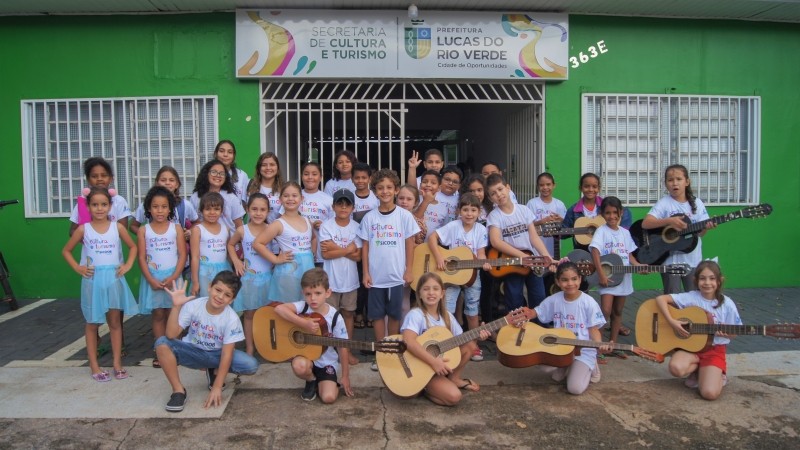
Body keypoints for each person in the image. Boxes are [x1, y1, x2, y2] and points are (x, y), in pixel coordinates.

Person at [62, 187, 139, 382]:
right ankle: (94, 365)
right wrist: (78, 268)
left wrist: (128, 265)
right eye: (95, 204)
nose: (99, 208)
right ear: (88, 207)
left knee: (114, 323)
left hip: (113, 279)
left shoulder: (117, 227)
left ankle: (117, 364)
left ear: (110, 206)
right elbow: (66, 251)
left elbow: (133, 247)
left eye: (103, 204)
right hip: (92, 281)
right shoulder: (83, 229)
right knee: (92, 323)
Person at [155, 273, 259, 412]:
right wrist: (176, 307)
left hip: (217, 354)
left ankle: (213, 370)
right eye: (218, 290)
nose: (220, 297)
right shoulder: (193, 306)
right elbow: (171, 334)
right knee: (162, 343)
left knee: (251, 365)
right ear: (210, 287)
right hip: (193, 351)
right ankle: (178, 391)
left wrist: (217, 386)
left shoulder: (232, 319)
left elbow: (227, 354)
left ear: (232, 299)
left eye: (227, 295)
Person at [358, 169, 420, 370]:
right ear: (375, 191)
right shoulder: (369, 218)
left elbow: (410, 243)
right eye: (380, 188)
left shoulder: (404, 216)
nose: (385, 191)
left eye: (389, 187)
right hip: (376, 277)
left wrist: (409, 270)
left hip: (396, 276)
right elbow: (365, 247)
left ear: (396, 190)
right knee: (377, 315)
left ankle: (392, 351)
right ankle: (381, 352)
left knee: (394, 315)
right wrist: (366, 273)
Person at [654, 260, 740, 400]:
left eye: (712, 278)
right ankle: (699, 371)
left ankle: (717, 376)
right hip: (691, 349)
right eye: (703, 278)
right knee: (676, 368)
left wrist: (727, 333)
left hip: (714, 350)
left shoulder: (727, 304)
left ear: (719, 281)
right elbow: (660, 299)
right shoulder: (690, 297)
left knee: (709, 394)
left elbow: (734, 332)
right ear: (695, 280)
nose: (707, 283)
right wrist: (672, 321)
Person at [402, 273, 490, 406]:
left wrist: (478, 335)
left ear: (442, 293)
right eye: (426, 289)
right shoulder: (415, 315)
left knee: (470, 345)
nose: (431, 293)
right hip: (423, 368)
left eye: (435, 289)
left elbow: (461, 339)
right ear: (419, 293)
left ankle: (453, 379)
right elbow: (408, 341)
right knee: (454, 397)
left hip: (440, 366)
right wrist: (433, 362)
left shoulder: (447, 316)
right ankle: (423, 388)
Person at [528, 262, 611, 395]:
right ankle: (567, 365)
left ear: (580, 279)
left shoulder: (588, 302)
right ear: (557, 281)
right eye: (564, 280)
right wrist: (525, 314)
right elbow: (537, 312)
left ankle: (591, 365)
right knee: (542, 365)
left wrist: (599, 345)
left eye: (574, 279)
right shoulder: (554, 299)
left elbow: (593, 329)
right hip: (560, 349)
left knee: (575, 389)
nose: (570, 284)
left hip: (582, 351)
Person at [427, 193, 490, 361]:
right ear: (459, 211)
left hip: (472, 275)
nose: (469, 214)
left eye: (473, 210)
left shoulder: (481, 230)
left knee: (472, 309)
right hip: (451, 276)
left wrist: (484, 263)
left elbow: (481, 253)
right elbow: (432, 238)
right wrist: (439, 257)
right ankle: (447, 345)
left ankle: (473, 345)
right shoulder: (453, 226)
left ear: (479, 213)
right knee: (447, 310)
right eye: (466, 210)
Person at [275, 268, 353, 403]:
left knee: (329, 398)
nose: (313, 298)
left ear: (328, 293)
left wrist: (345, 376)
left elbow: (343, 347)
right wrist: (303, 323)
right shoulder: (303, 307)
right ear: (303, 293)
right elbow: (278, 309)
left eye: (318, 293)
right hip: (306, 358)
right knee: (299, 366)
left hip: (326, 362)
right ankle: (311, 380)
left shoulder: (335, 317)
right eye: (308, 294)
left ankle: (325, 383)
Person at [486, 173, 553, 312]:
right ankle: (516, 331)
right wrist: (521, 257)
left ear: (508, 188)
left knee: (539, 298)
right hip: (512, 264)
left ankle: (539, 329)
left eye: (500, 189)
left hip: (533, 262)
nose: (498, 194)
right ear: (490, 198)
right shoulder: (494, 216)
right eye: (493, 193)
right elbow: (496, 241)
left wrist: (547, 256)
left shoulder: (524, 210)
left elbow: (534, 238)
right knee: (514, 300)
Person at [642, 164, 714, 294]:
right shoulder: (664, 203)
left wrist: (706, 228)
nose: (675, 183)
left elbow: (700, 234)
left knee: (694, 298)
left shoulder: (697, 203)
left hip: (692, 259)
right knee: (672, 300)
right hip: (670, 261)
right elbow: (646, 223)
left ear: (687, 182)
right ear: (666, 184)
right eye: (670, 180)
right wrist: (669, 220)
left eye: (679, 179)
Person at [137, 186, 187, 369]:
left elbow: (182, 254)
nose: (160, 210)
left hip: (173, 277)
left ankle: (177, 349)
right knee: (158, 313)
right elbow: (141, 257)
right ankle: (161, 350)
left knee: (174, 313)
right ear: (149, 208)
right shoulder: (144, 230)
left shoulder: (176, 228)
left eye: (164, 206)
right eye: (155, 206)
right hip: (154, 279)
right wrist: (150, 279)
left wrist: (175, 275)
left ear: (170, 208)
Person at [589, 196, 642, 349]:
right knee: (605, 310)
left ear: (621, 213)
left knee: (617, 311)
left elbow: (630, 255)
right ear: (602, 214)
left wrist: (638, 266)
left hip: (624, 277)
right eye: (607, 213)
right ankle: (597, 342)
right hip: (608, 278)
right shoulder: (601, 231)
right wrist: (601, 274)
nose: (612, 216)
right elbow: (595, 252)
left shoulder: (625, 233)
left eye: (615, 212)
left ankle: (613, 343)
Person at [253, 181, 316, 303]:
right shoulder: (278, 223)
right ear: (280, 199)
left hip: (308, 269)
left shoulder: (307, 220)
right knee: (288, 306)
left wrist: (311, 254)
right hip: (288, 272)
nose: (290, 199)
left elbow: (313, 238)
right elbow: (257, 244)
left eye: (294, 195)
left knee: (307, 304)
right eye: (286, 196)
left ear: (301, 198)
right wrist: (275, 259)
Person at [320, 189, 362, 365]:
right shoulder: (326, 226)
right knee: (329, 317)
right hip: (330, 281)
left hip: (350, 281)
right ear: (333, 206)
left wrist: (336, 248)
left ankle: (347, 351)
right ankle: (329, 353)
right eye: (339, 203)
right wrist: (347, 249)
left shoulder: (357, 227)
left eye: (347, 204)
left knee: (348, 316)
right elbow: (326, 255)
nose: (343, 207)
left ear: (353, 207)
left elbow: (358, 256)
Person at [227, 193, 273, 356]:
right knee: (249, 314)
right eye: (254, 209)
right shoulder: (242, 230)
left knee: (267, 314)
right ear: (247, 210)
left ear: (268, 212)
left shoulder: (271, 229)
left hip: (268, 279)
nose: (258, 213)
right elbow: (231, 245)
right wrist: (237, 261)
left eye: (262, 210)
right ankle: (250, 347)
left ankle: (267, 346)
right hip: (249, 280)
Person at [562, 173, 632, 252]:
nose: (591, 190)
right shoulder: (573, 210)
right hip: (583, 251)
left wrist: (617, 232)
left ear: (598, 188)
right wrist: (560, 232)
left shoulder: (606, 205)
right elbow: (564, 231)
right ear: (580, 188)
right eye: (586, 186)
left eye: (594, 187)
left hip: (607, 249)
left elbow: (625, 212)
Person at [68, 157, 131, 236]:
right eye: (94, 176)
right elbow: (73, 231)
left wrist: (104, 239)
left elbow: (123, 230)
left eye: (104, 175)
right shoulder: (83, 202)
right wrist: (91, 240)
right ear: (88, 179)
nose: (99, 179)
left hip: (112, 247)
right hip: (91, 247)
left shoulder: (119, 201)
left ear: (111, 178)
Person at [190, 192, 232, 297]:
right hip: (204, 273)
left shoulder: (226, 229)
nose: (212, 212)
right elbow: (194, 257)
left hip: (223, 271)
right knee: (206, 300)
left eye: (216, 209)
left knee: (221, 299)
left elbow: (228, 253)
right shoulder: (197, 230)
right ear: (201, 210)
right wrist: (195, 282)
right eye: (208, 209)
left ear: (221, 211)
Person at [190, 159, 245, 232]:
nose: (218, 176)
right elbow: (193, 222)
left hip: (229, 241)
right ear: (206, 174)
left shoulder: (231, 197)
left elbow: (239, 225)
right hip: (202, 240)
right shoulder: (196, 197)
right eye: (214, 172)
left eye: (222, 173)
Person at [298, 162, 334, 267]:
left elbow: (335, 225)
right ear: (301, 176)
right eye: (306, 174)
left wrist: (323, 225)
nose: (310, 177)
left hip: (321, 254)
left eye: (314, 174)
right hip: (298, 253)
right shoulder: (294, 197)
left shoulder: (328, 200)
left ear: (320, 177)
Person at [526, 172, 567, 259]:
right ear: (538, 187)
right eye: (541, 185)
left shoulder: (559, 204)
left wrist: (561, 220)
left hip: (554, 249)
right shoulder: (532, 203)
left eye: (548, 184)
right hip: (536, 251)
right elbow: (526, 226)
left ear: (554, 185)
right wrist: (542, 221)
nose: (545, 188)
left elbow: (566, 225)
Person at [247, 152, 283, 225]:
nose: (268, 168)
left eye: (272, 165)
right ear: (259, 168)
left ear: (277, 168)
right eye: (264, 165)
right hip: (254, 232)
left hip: (276, 233)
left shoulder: (283, 189)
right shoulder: (250, 185)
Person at [415, 170, 450, 236]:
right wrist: (426, 201)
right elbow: (414, 220)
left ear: (439, 188)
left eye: (433, 183)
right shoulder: (415, 200)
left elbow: (444, 231)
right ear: (420, 185)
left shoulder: (443, 208)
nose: (428, 185)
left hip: (432, 245)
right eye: (425, 182)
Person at [213, 140, 249, 204]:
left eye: (230, 152)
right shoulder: (208, 174)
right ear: (216, 154)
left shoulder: (242, 175)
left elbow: (244, 203)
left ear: (234, 156)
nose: (225, 155)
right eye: (221, 151)